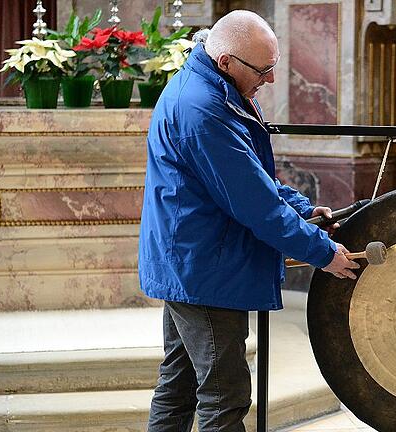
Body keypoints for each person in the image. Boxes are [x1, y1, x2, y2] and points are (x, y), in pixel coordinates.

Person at [138, 10, 360, 432]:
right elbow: (255, 205)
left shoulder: (214, 89)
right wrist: (323, 253)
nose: (271, 80)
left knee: (179, 385)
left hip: (193, 262)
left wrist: (301, 208)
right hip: (203, 270)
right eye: (264, 70)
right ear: (226, 61)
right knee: (225, 397)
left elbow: (251, 175)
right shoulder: (203, 109)